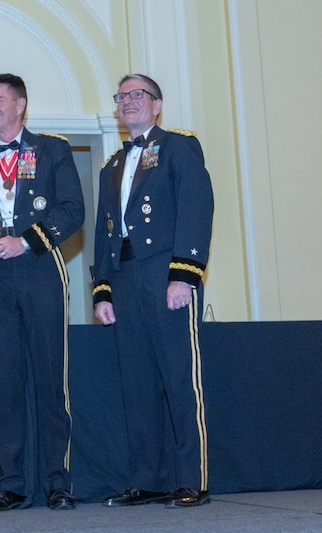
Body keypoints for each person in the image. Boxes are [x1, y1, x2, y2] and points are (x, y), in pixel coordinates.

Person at [0, 73, 85, 511]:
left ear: (20, 104)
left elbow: (73, 209)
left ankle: (58, 482)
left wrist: (23, 241)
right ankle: (11, 484)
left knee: (52, 382)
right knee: (5, 385)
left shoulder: (53, 149)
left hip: (40, 269)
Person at [92, 74, 214, 508]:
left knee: (180, 379)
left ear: (157, 104)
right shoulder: (111, 165)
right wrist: (102, 289)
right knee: (137, 384)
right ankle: (148, 479)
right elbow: (104, 230)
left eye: (137, 95)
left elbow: (197, 207)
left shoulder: (179, 146)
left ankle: (191, 479)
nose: (128, 102)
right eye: (121, 96)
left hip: (166, 272)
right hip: (125, 276)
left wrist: (184, 273)